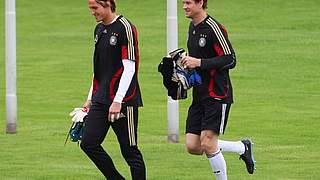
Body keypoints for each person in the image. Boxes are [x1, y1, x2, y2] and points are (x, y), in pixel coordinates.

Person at [180, 0, 255, 179]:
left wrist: (198, 62)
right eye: (183, 2)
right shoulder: (193, 27)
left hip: (217, 94)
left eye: (188, 2)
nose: (184, 6)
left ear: (201, 3)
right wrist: (184, 64)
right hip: (199, 94)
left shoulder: (214, 28)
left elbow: (230, 59)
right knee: (193, 146)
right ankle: (242, 147)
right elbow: (198, 61)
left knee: (207, 142)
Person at [79, 0, 146, 179]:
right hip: (101, 99)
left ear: (108, 4)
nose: (92, 12)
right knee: (88, 143)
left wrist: (118, 100)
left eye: (95, 8)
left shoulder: (126, 28)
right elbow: (99, 69)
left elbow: (130, 67)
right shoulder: (99, 29)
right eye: (90, 8)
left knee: (130, 152)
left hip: (124, 101)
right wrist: (90, 97)